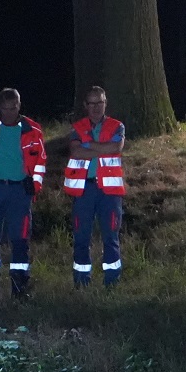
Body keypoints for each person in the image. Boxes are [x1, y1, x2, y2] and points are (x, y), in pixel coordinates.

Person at [0, 88, 47, 300]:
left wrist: (35, 185)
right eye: (5, 109)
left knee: (20, 238)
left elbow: (40, 161)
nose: (9, 113)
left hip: (20, 191)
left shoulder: (33, 129)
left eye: (13, 108)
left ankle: (19, 286)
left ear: (19, 106)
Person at [64, 85, 126, 289]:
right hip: (84, 190)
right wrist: (102, 149)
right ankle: (82, 283)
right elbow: (76, 152)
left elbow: (115, 148)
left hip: (109, 192)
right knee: (81, 237)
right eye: (92, 103)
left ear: (105, 103)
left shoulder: (117, 126)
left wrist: (88, 144)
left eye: (100, 102)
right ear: (85, 106)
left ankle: (112, 283)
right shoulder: (77, 127)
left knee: (111, 238)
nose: (96, 107)